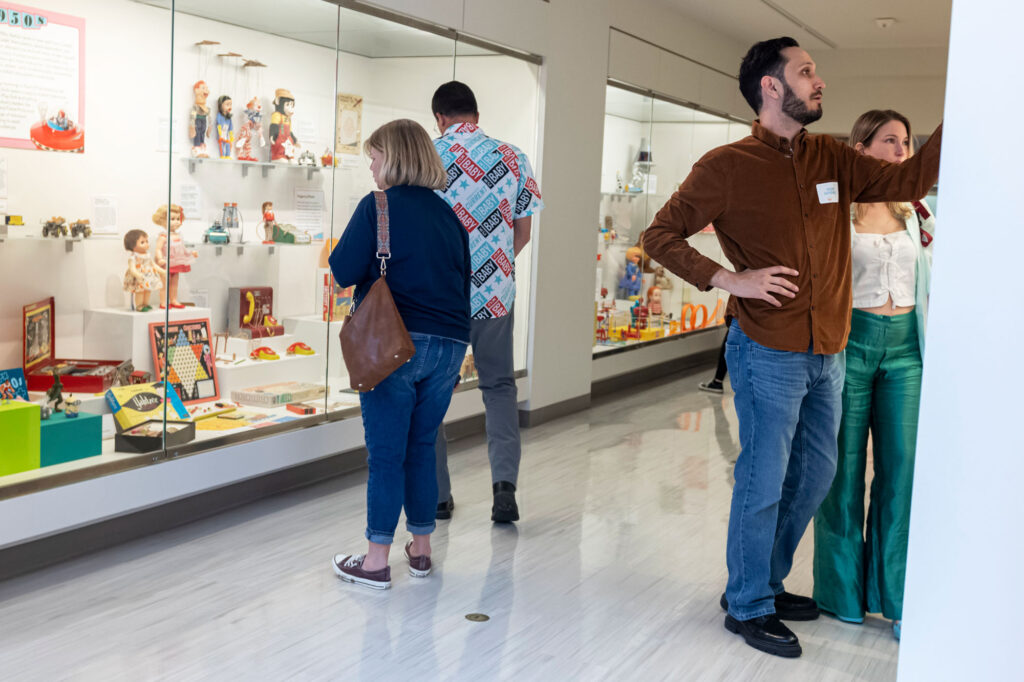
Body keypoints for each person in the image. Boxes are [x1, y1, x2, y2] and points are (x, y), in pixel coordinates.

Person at [642, 37, 942, 658]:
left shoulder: (832, 156)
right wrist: (730, 279)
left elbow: (911, 177)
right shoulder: (725, 166)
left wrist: (962, 110)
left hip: (828, 348)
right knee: (764, 479)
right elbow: (660, 235)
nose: (819, 80)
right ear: (772, 87)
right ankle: (748, 603)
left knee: (816, 475)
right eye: (807, 72)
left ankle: (764, 582)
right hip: (767, 348)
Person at [328, 119, 470, 590]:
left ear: (394, 158)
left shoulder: (378, 206)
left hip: (394, 344)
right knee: (422, 445)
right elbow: (463, 282)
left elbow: (343, 271)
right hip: (450, 345)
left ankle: (374, 563)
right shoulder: (450, 216)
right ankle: (422, 551)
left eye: (374, 157)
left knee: (387, 455)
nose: (371, 167)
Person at [812, 110, 935, 642]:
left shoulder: (920, 211)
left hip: (907, 351)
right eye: (890, 141)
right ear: (860, 149)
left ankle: (899, 596)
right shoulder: (835, 209)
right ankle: (841, 593)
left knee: (901, 472)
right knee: (840, 472)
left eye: (906, 142)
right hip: (850, 347)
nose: (902, 151)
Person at [430, 81, 544, 523]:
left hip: (438, 298)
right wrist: (491, 266)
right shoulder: (513, 157)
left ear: (440, 118)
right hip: (494, 294)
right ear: (476, 116)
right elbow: (523, 232)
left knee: (432, 392)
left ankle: (437, 497)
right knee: (498, 387)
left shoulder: (427, 156)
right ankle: (504, 492)